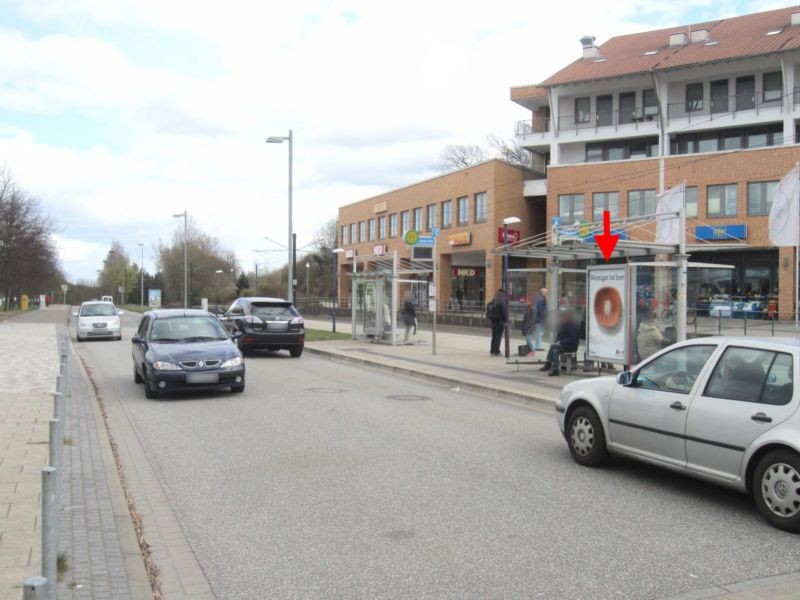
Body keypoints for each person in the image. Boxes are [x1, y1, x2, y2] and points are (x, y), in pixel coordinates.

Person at [540, 311, 580, 376]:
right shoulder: (562, 325)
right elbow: (559, 336)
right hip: (562, 346)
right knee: (555, 351)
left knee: (553, 345)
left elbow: (573, 339)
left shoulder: (574, 326)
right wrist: (558, 341)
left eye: (565, 317)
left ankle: (548, 363)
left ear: (569, 318)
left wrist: (561, 342)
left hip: (571, 346)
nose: (563, 318)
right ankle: (555, 371)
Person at [486, 289, 506, 356]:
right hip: (499, 322)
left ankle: (492, 350)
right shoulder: (501, 302)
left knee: (494, 336)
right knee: (498, 337)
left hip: (493, 322)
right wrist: (506, 320)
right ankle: (496, 351)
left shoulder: (492, 302)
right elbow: (504, 313)